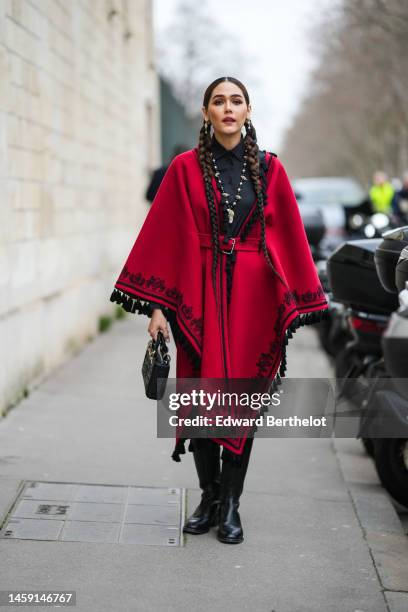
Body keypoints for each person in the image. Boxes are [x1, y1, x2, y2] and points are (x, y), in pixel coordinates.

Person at [110, 76, 329, 544]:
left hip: (251, 300)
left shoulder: (270, 169)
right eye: (217, 101)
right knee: (199, 399)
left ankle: (231, 504)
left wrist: (290, 298)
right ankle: (209, 497)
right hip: (195, 295)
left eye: (236, 101)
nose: (227, 108)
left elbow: (289, 235)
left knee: (239, 403)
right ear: (206, 113)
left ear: (248, 111)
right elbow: (165, 237)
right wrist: (159, 308)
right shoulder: (184, 169)